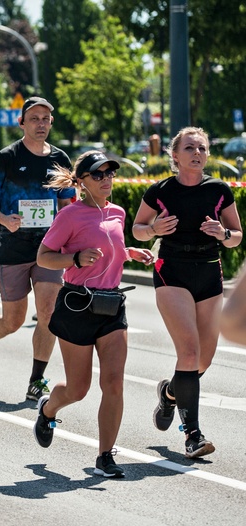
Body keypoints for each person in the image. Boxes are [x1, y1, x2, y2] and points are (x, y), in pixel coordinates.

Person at [33, 151, 154, 478]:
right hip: (77, 306)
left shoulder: (117, 212)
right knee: (78, 388)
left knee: (114, 383)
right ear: (82, 182)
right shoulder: (70, 216)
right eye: (98, 175)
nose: (106, 180)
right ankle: (48, 410)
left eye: (110, 174)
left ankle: (105, 456)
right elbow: (44, 257)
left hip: (112, 305)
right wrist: (74, 258)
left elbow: (109, 247)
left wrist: (130, 253)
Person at [132, 126, 242, 459]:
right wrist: (153, 230)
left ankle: (169, 393)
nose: (197, 153)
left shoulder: (219, 190)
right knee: (190, 352)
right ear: (175, 155)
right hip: (173, 272)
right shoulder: (160, 190)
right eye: (190, 147)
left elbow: (237, 235)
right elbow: (137, 230)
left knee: (203, 359)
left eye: (202, 148)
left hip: (209, 273)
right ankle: (193, 434)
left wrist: (222, 232)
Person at [0, 97, 74, 401]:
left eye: (45, 118)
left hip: (48, 247)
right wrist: (4, 219)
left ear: (51, 122)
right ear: (22, 123)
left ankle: (37, 379)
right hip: (12, 246)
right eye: (34, 118)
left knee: (48, 312)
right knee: (14, 321)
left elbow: (67, 202)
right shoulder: (6, 157)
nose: (41, 123)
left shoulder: (60, 159)